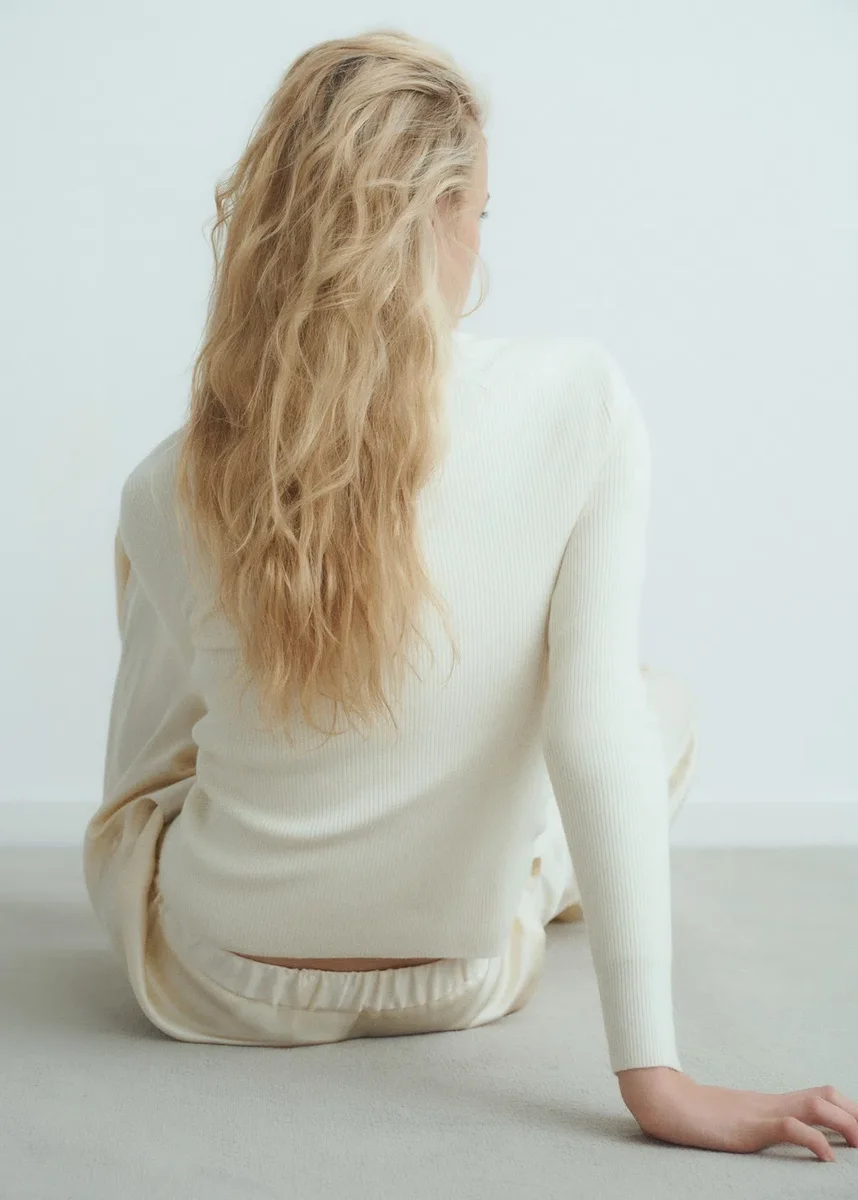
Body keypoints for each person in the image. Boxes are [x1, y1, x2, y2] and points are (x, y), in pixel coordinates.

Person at [83, 29, 857, 1163]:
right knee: (653, 712)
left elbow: (147, 765)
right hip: (461, 979)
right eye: (481, 212)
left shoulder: (165, 481)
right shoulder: (579, 401)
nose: (480, 239)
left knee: (177, 719)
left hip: (214, 982)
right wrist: (658, 1079)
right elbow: (593, 730)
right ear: (439, 214)